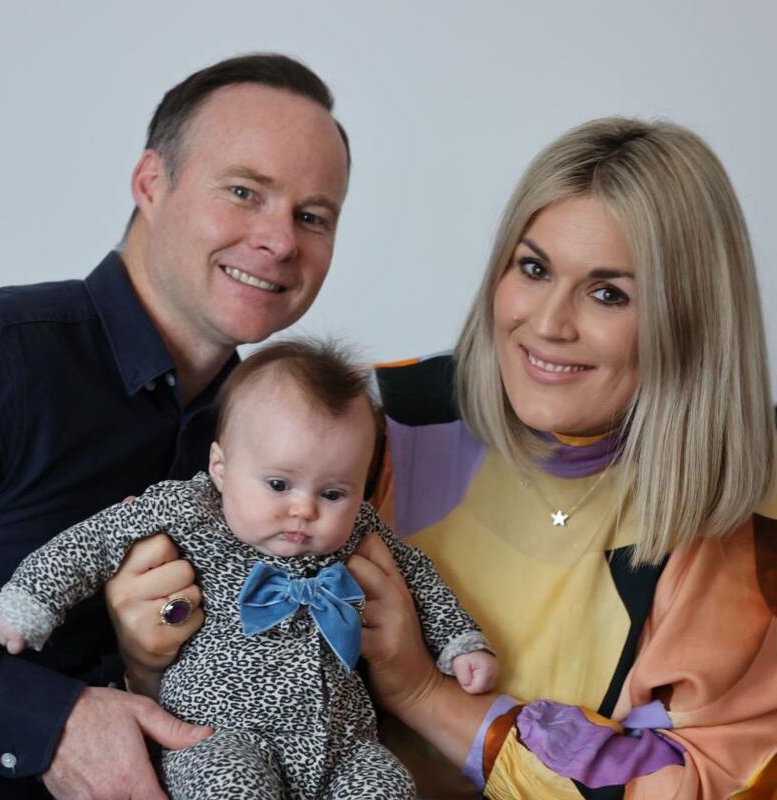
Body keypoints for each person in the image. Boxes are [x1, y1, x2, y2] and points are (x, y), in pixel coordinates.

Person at [111, 116, 777, 800]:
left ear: (688, 317)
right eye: (534, 267)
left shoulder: (750, 517)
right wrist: (147, 658)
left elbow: (704, 783)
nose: (548, 323)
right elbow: (224, 686)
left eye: (609, 293)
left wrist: (425, 691)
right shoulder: (377, 421)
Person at [0, 53, 350, 799]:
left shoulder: (302, 439)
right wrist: (55, 723)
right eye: (245, 192)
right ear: (152, 183)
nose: (280, 240)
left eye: (312, 216)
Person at [0, 338, 498, 799]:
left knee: (386, 784)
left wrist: (459, 641)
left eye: (333, 492)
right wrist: (32, 599)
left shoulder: (360, 529)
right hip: (221, 732)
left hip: (341, 743)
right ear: (222, 467)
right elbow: (95, 539)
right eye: (279, 484)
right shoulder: (190, 509)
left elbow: (418, 575)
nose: (304, 509)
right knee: (231, 785)